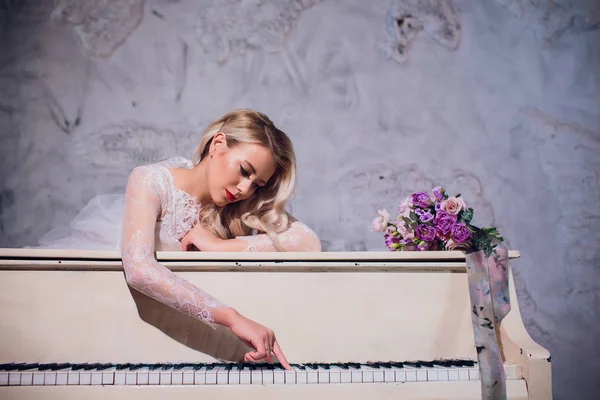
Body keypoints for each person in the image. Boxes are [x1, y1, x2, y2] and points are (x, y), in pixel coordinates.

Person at [39, 109, 322, 369]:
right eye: (244, 171)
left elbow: (309, 242)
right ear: (218, 144)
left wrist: (219, 246)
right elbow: (138, 269)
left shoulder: (238, 209)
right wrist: (233, 319)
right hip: (99, 313)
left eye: (257, 184)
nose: (246, 188)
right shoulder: (151, 180)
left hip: (179, 341)